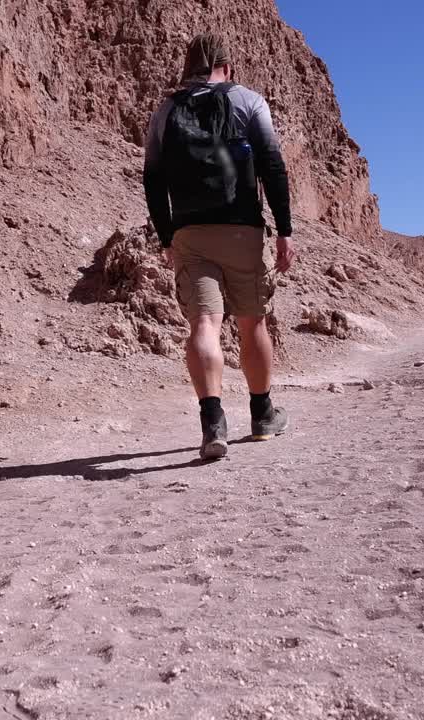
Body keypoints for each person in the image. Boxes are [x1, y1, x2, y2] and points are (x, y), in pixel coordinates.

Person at [143, 33, 295, 460]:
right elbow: (272, 166)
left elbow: (153, 179)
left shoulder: (166, 110)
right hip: (243, 230)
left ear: (187, 68)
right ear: (226, 68)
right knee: (253, 323)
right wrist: (284, 230)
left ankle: (213, 423)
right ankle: (263, 414)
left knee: (204, 325)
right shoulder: (249, 101)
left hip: (191, 233)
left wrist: (166, 235)